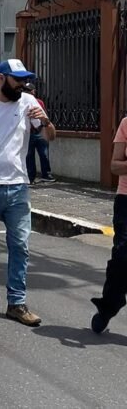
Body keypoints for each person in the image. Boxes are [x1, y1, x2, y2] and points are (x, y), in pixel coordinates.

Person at [0, 59, 54, 327]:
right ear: (2, 78)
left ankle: (16, 302)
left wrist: (45, 121)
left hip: (18, 186)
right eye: (18, 79)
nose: (23, 84)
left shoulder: (29, 102)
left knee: (20, 246)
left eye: (25, 79)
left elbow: (50, 137)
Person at [92, 115, 127, 334]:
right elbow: (114, 166)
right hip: (126, 200)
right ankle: (109, 305)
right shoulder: (125, 123)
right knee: (122, 255)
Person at [24, 83, 56, 184]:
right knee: (29, 156)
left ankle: (46, 175)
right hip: (29, 132)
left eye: (30, 90)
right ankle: (30, 177)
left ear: (34, 91)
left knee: (44, 154)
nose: (28, 92)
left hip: (40, 130)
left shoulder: (39, 102)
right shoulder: (22, 102)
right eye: (26, 90)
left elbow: (44, 115)